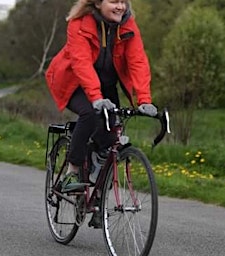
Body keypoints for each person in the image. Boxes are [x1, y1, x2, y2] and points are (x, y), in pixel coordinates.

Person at [45, 0, 157, 228]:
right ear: (97, 3)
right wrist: (95, 97)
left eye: (124, 2)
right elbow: (81, 63)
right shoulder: (79, 23)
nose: (121, 7)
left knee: (110, 136)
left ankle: (96, 192)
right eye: (114, 1)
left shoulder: (128, 26)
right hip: (73, 81)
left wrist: (144, 99)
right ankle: (72, 172)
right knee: (90, 114)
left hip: (106, 84)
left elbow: (137, 61)